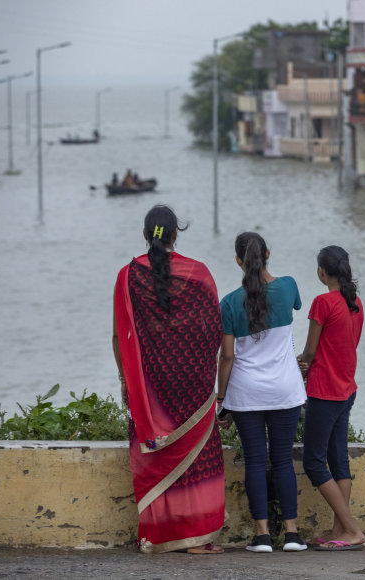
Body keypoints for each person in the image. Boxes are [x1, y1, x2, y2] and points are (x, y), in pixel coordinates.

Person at [112, 205, 225, 554]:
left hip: (149, 389)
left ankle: (158, 534)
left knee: (155, 456)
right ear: (176, 234)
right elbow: (213, 332)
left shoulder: (127, 276)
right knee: (198, 455)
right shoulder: (200, 274)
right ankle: (198, 540)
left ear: (146, 235)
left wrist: (125, 380)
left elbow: (120, 337)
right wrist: (201, 372)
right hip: (193, 384)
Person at [217, 233, 308, 553]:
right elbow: (295, 305)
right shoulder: (288, 287)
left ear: (239, 261)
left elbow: (227, 357)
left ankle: (262, 536)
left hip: (245, 394)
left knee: (256, 461)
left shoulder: (229, 303)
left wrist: (220, 400)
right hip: (286, 391)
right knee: (283, 460)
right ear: (268, 253)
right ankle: (293, 535)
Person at [296, 246, 365, 551]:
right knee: (338, 460)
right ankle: (340, 531)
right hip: (346, 388)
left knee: (313, 462)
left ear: (321, 272)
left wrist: (294, 367)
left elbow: (310, 353)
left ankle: (351, 529)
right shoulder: (355, 303)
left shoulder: (322, 303)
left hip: (324, 391)